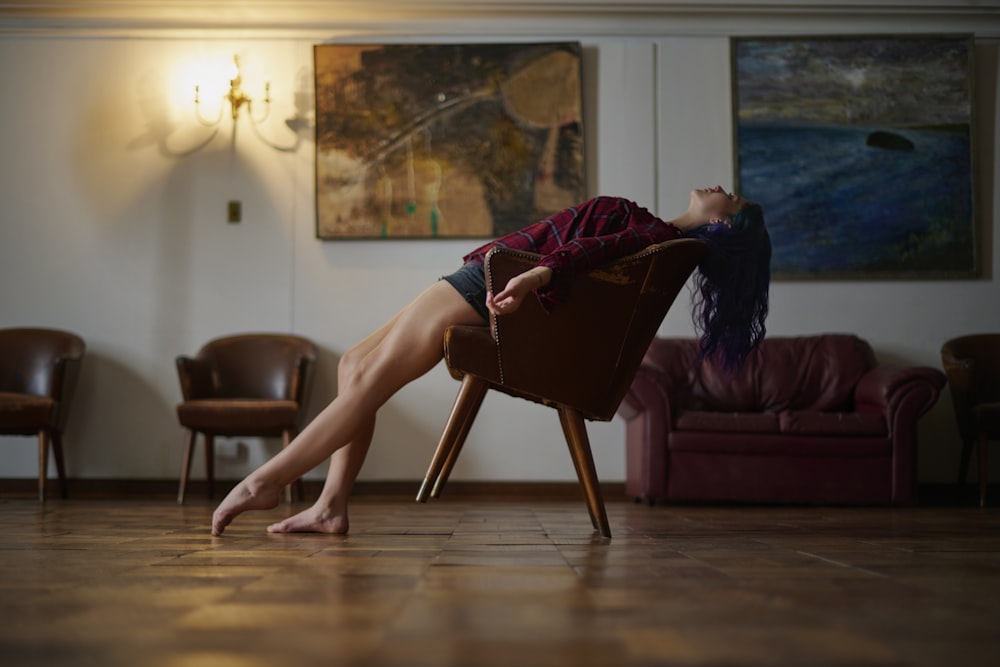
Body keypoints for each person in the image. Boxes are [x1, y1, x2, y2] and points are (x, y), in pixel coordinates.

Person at [210, 186, 771, 536]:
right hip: (486, 277)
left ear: (723, 224)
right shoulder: (656, 234)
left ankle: (266, 480)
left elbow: (584, 253)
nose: (723, 188)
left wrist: (532, 275)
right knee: (354, 365)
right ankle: (330, 507)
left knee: (368, 382)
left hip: (488, 280)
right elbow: (592, 256)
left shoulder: (655, 232)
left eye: (733, 200)